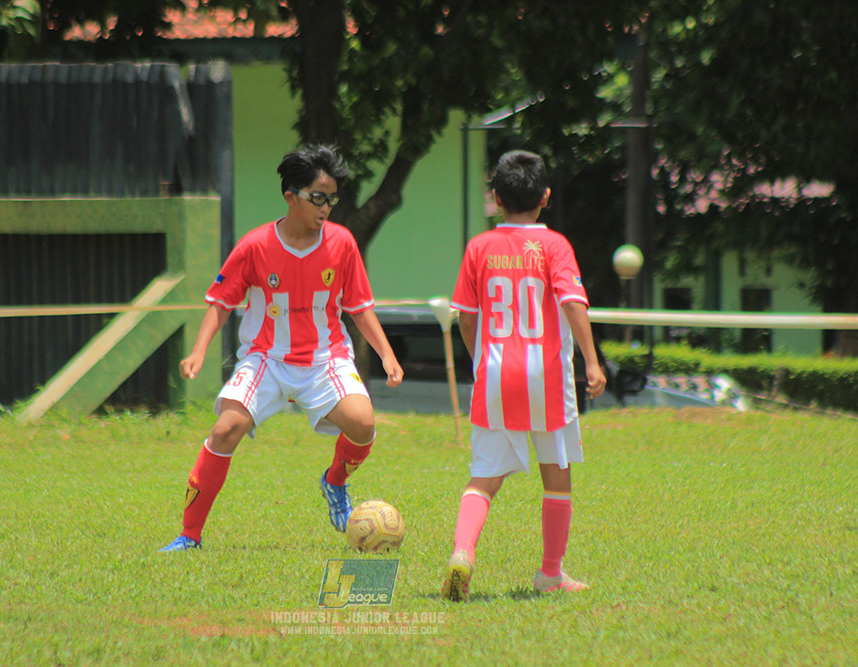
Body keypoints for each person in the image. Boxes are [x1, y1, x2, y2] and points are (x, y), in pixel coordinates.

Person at [160, 145, 404, 552]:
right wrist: (199, 350)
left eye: (332, 199)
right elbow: (221, 303)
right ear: (291, 196)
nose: (326, 208)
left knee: (363, 424)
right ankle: (189, 535)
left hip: (325, 359)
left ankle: (335, 482)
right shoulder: (255, 245)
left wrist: (387, 354)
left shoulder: (342, 243)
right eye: (318, 198)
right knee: (225, 429)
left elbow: (359, 307)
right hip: (267, 359)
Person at [441, 150, 606, 600]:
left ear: (495, 198)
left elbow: (467, 317)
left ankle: (462, 552)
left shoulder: (479, 247)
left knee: (483, 478)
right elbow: (572, 302)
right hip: (547, 378)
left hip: (495, 376)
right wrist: (592, 361)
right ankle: (550, 574)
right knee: (557, 474)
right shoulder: (555, 246)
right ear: (545, 197)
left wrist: (480, 361)